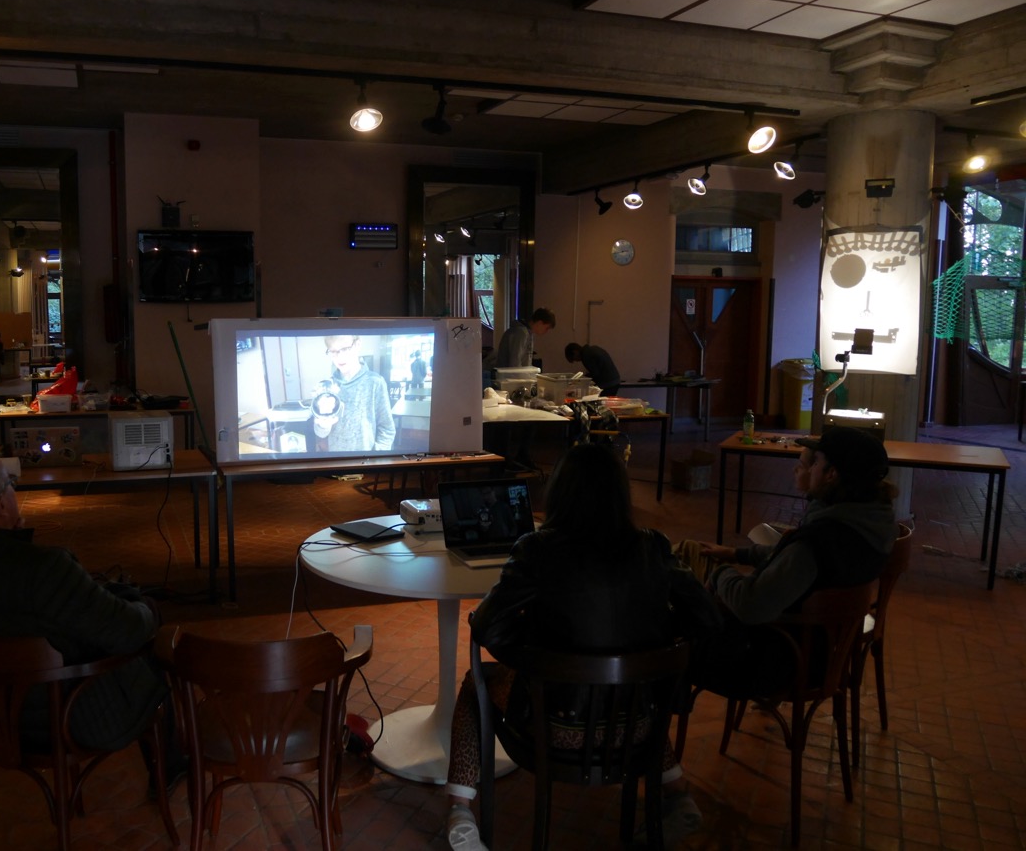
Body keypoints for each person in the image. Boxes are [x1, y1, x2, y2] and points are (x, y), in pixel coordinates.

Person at [444, 443, 721, 851]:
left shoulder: (536, 549)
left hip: (557, 726)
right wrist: (654, 643)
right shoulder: (654, 547)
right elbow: (707, 617)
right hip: (637, 724)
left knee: (476, 683)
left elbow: (488, 626)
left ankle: (460, 816)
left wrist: (537, 656)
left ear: (560, 491)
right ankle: (679, 797)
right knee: (631, 689)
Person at [0, 441, 181, 795]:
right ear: (0, 504)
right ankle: (171, 767)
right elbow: (129, 631)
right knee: (155, 637)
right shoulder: (44, 570)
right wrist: (142, 604)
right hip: (69, 718)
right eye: (10, 485)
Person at [690, 426, 896, 697]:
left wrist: (719, 573)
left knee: (673, 636)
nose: (809, 468)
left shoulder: (818, 542)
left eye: (816, 462)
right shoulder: (874, 525)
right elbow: (791, 560)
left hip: (779, 662)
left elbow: (751, 606)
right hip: (826, 653)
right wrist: (737, 554)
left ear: (832, 474)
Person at [312, 334, 396, 452]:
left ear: (357, 344)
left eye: (345, 349)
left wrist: (376, 456)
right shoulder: (327, 387)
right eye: (333, 351)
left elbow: (387, 429)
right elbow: (320, 433)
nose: (339, 357)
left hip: (366, 460)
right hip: (337, 459)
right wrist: (323, 425)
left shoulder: (375, 383)